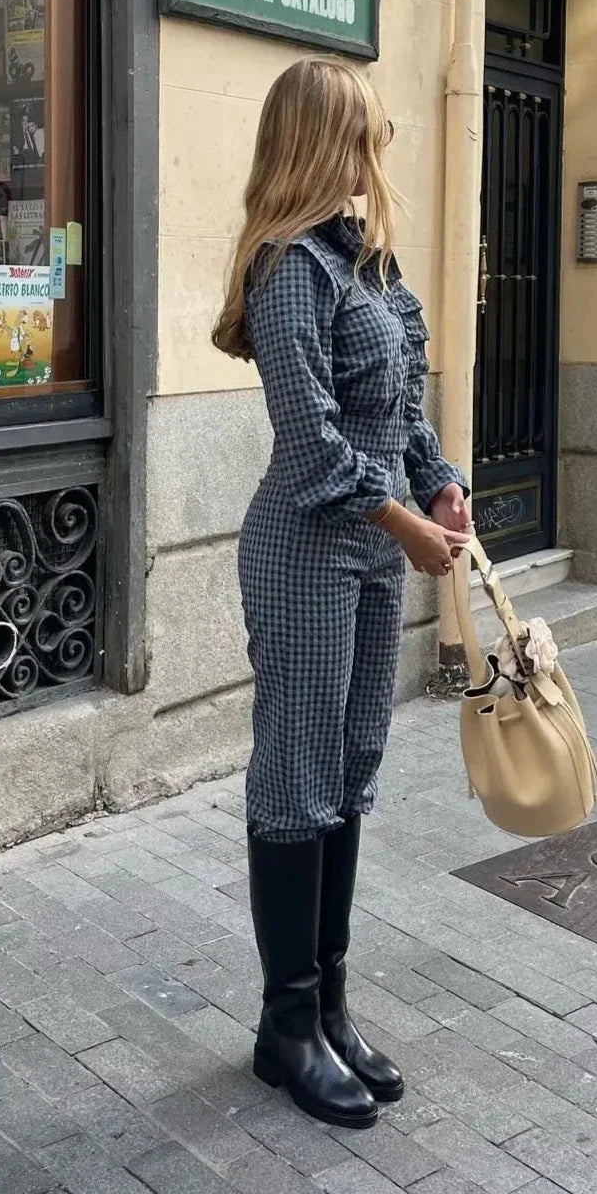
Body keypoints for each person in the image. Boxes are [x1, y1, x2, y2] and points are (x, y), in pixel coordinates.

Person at [212, 57, 471, 1130]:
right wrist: (403, 519)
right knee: (298, 773)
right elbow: (312, 441)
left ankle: (327, 1007)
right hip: (306, 549)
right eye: (365, 129)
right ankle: (285, 1027)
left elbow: (400, 406)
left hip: (370, 549)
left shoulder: (367, 260)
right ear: (324, 139)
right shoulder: (287, 269)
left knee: (353, 765)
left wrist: (440, 479)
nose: (381, 146)